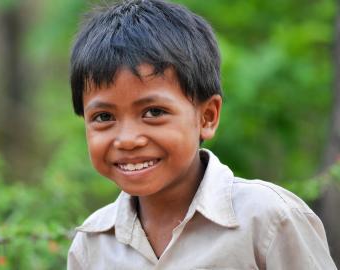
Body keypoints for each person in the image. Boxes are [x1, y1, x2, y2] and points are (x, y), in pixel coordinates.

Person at [67, 0, 337, 269]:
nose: (127, 139)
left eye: (153, 112)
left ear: (207, 116)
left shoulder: (269, 221)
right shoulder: (92, 244)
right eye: (104, 117)